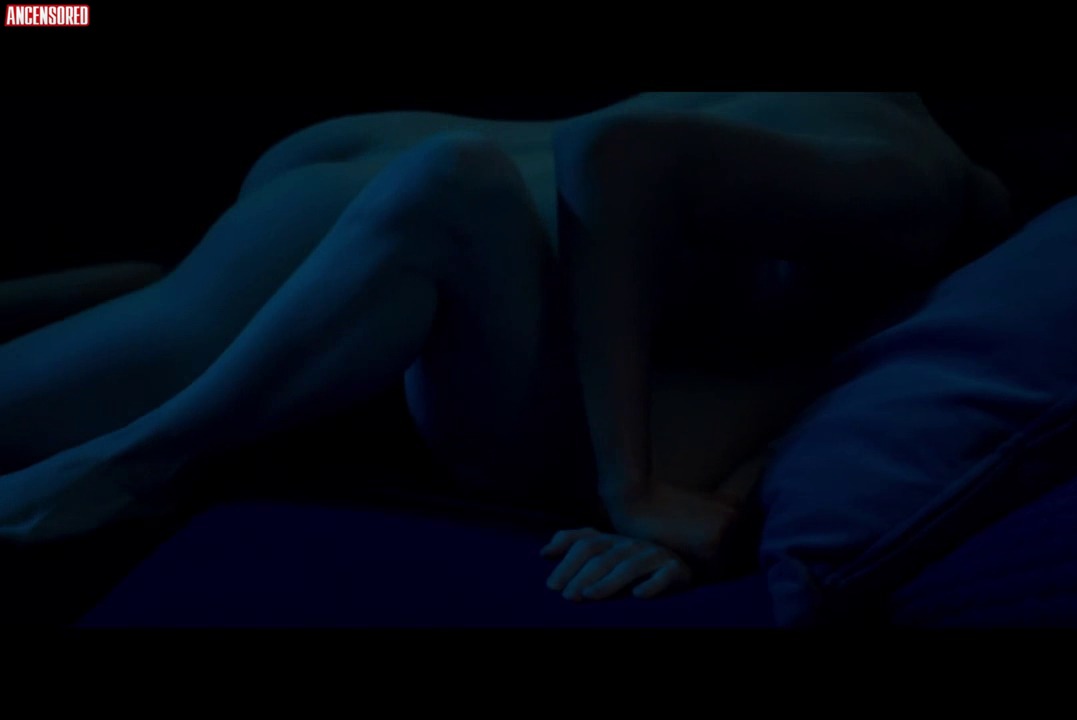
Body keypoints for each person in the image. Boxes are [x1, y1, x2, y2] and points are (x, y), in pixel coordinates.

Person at [0, 92, 1010, 602]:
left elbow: (829, 379)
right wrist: (637, 487)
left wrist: (689, 496)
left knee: (182, 302)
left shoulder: (883, 154)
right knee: (433, 194)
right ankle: (135, 460)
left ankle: (132, 389)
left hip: (365, 194)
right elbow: (614, 154)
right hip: (402, 239)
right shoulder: (913, 176)